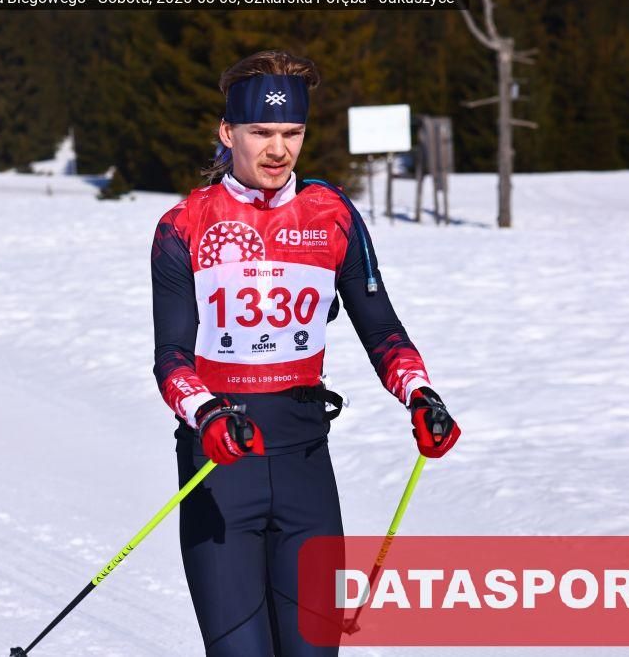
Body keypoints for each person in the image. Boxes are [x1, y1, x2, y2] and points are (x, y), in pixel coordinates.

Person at [150, 50, 462, 656]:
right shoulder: (184, 224)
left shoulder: (332, 215)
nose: (278, 150)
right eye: (261, 133)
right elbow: (171, 359)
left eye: (292, 133)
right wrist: (207, 414)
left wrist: (421, 396)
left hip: (304, 466)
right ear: (227, 133)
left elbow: (382, 330)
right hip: (220, 466)